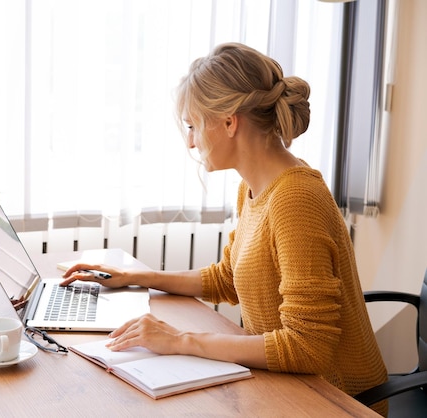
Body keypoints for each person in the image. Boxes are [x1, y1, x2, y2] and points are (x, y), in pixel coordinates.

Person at [60, 42, 388, 415]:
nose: (190, 141)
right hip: (285, 385)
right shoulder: (254, 188)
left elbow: (307, 346)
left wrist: (182, 339)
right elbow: (227, 278)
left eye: (193, 125)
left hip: (334, 399)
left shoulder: (296, 200)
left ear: (230, 122)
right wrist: (137, 276)